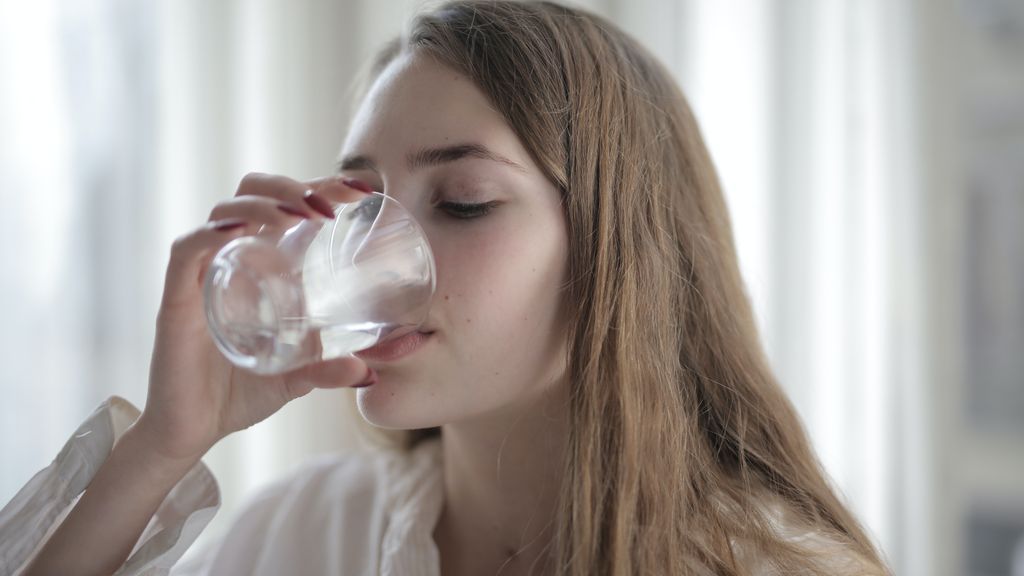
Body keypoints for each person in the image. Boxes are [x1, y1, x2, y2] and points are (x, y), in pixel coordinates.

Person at [1, 1, 892, 575]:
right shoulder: (312, 533)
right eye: (361, 205)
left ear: (620, 251)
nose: (374, 261)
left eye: (462, 202)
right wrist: (162, 445)